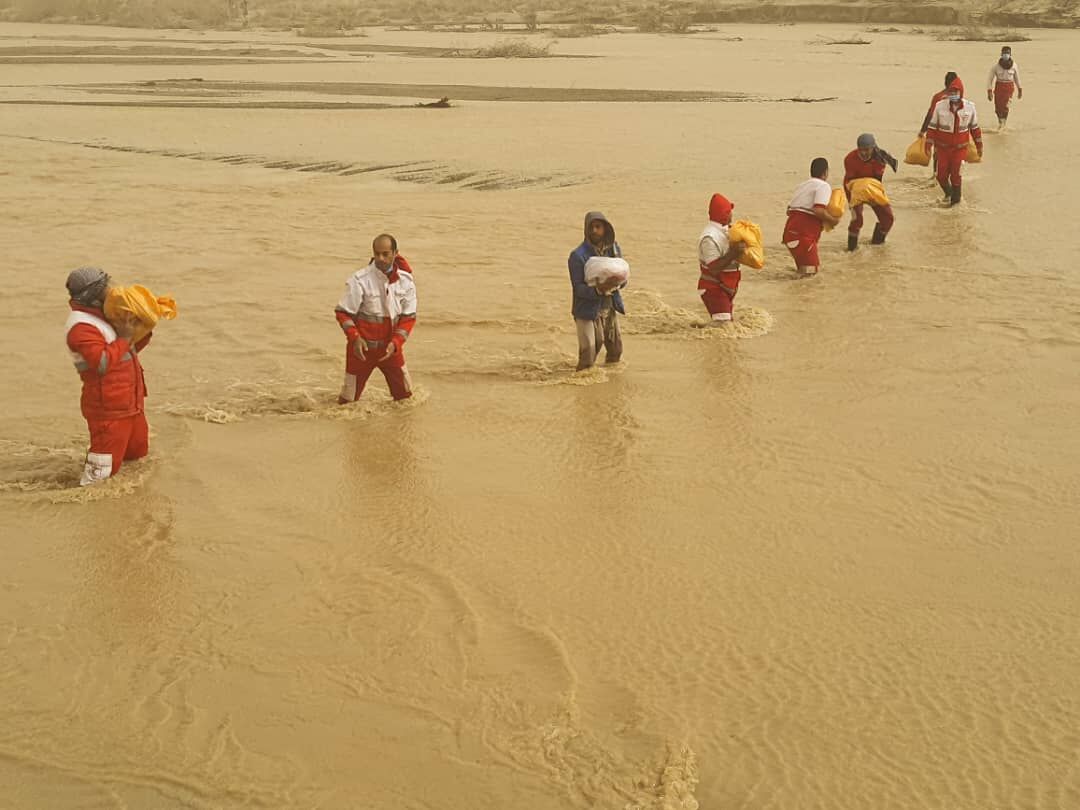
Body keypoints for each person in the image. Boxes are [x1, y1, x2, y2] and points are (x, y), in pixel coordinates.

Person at [64, 267, 152, 486]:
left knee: (137, 459)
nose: (111, 291)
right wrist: (124, 337)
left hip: (130, 404)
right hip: (109, 410)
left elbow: (126, 352)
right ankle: (91, 515)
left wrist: (143, 329)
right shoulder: (81, 327)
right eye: (105, 287)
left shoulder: (104, 317)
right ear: (92, 295)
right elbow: (102, 363)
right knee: (98, 480)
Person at [334, 234, 417, 403]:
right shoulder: (359, 280)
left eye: (385, 254)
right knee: (347, 404)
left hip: (391, 350)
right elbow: (342, 313)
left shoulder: (406, 282)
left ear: (395, 253)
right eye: (377, 253)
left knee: (405, 400)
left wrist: (396, 343)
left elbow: (409, 317)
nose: (380, 258)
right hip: (360, 351)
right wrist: (355, 338)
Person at [568, 211, 625, 370]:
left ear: (605, 229)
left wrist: (617, 284)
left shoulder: (614, 250)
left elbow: (623, 277)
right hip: (586, 310)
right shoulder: (577, 256)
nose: (594, 231)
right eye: (591, 227)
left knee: (616, 351)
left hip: (609, 306)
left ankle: (607, 388)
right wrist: (599, 290)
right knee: (588, 357)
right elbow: (578, 288)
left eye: (598, 227)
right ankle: (581, 385)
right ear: (586, 230)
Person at [926, 77, 983, 206]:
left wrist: (979, 146)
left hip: (960, 149)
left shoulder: (970, 107)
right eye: (951, 92)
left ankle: (956, 204)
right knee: (941, 176)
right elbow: (932, 127)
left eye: (956, 92)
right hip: (943, 149)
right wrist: (928, 144)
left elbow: (975, 129)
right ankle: (949, 193)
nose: (953, 95)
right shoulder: (940, 106)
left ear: (961, 92)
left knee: (956, 175)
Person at [782, 158, 840, 275]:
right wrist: (833, 220)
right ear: (825, 173)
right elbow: (818, 210)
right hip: (804, 236)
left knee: (802, 273)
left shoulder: (802, 186)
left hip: (790, 234)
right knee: (811, 276)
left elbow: (789, 210)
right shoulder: (823, 186)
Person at [843, 133, 898, 251]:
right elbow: (850, 182)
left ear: (873, 148)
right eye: (860, 150)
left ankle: (877, 246)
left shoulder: (881, 158)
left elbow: (878, 179)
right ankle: (851, 250)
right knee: (856, 219)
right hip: (854, 188)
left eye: (866, 150)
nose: (863, 153)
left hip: (873, 187)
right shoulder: (849, 159)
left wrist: (872, 198)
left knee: (888, 219)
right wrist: (852, 204)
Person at [697, 193, 745, 322]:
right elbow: (714, 268)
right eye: (730, 212)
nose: (732, 215)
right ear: (725, 213)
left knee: (725, 326)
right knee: (724, 328)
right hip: (714, 288)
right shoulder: (709, 237)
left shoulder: (727, 231)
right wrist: (733, 253)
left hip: (725, 287)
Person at [919, 71, 959, 172]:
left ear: (945, 82)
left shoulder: (937, 97)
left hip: (939, 132)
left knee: (938, 154)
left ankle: (935, 174)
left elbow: (930, 115)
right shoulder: (959, 98)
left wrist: (923, 130)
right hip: (954, 132)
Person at [988, 46, 1022, 129]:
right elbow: (990, 79)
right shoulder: (995, 67)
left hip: (1009, 87)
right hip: (999, 87)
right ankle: (1000, 122)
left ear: (1010, 54)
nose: (1006, 55)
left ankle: (1003, 124)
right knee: (998, 107)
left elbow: (1017, 78)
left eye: (1007, 53)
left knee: (1006, 106)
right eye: (1004, 53)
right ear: (1001, 54)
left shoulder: (1014, 66)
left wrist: (1020, 89)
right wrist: (989, 91)